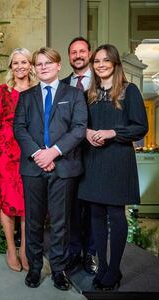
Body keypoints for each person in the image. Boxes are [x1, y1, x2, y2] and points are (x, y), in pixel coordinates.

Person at [14, 47, 87, 291]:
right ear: (35, 68)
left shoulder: (74, 95)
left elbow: (78, 128)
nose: (43, 67)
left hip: (63, 166)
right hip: (33, 167)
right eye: (39, 63)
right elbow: (20, 129)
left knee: (60, 223)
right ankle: (35, 268)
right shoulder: (26, 97)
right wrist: (38, 154)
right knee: (34, 222)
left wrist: (53, 152)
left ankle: (58, 270)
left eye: (49, 62)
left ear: (58, 66)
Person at [78, 44, 148, 290]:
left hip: (118, 159)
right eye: (97, 61)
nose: (101, 64)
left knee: (115, 215)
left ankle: (115, 269)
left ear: (115, 63)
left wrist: (111, 132)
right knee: (95, 214)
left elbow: (140, 127)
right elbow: (80, 123)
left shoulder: (130, 91)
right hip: (94, 159)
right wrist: (87, 132)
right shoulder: (90, 94)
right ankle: (104, 266)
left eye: (106, 60)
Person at [0, 48, 36, 272]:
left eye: (24, 62)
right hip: (6, 153)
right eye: (15, 63)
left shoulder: (37, 90)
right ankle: (10, 248)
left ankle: (25, 248)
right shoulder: (1, 91)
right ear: (11, 67)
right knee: (8, 201)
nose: (20, 66)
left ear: (30, 65)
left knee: (27, 201)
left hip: (30, 152)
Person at [62, 37, 97, 275]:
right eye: (73, 52)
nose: (78, 55)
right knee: (72, 207)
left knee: (94, 207)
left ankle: (92, 254)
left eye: (81, 51)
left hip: (96, 154)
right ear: (68, 57)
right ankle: (74, 252)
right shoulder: (62, 85)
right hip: (70, 155)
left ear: (90, 53)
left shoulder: (102, 82)